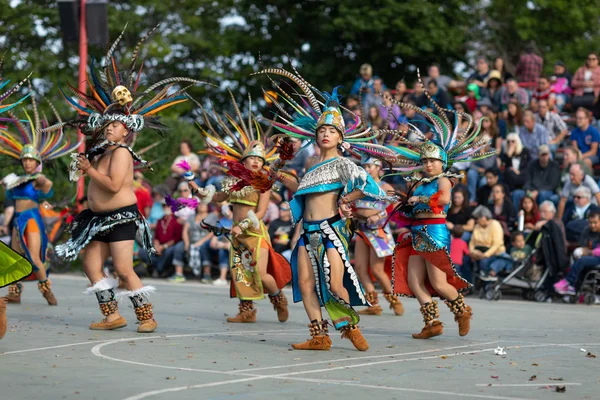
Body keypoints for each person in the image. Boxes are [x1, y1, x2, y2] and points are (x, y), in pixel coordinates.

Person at [54, 26, 205, 332]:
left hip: (121, 217)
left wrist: (89, 170)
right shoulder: (99, 151)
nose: (109, 128)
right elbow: (93, 181)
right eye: (106, 124)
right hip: (97, 219)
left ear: (127, 131)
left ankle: (147, 316)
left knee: (123, 269)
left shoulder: (122, 153)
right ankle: (112, 315)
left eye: (115, 125)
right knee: (91, 265)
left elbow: (110, 184)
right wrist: (82, 166)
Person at [256, 67, 397, 351]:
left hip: (330, 230)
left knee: (334, 285)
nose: (325, 134)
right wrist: (278, 173)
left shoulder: (344, 164)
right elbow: (301, 191)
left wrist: (346, 199)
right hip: (307, 233)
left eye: (331, 131)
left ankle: (349, 327)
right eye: (322, 130)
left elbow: (371, 188)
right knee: (306, 285)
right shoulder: (309, 164)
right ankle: (319, 336)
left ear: (340, 136)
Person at [384, 92, 494, 340]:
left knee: (440, 282)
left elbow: (443, 200)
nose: (429, 164)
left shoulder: (443, 179)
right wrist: (404, 205)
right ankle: (432, 322)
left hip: (434, 231)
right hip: (417, 232)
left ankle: (462, 310)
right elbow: (412, 207)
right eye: (426, 160)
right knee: (414, 282)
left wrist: (419, 200)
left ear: (442, 162)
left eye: (433, 160)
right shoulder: (419, 181)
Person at [189, 92, 291, 324]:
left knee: (262, 274)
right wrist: (199, 191)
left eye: (260, 160)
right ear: (243, 162)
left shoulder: (264, 184)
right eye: (251, 159)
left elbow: (262, 213)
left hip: (254, 233)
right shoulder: (234, 184)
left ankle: (278, 300)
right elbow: (219, 196)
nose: (255, 162)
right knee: (239, 273)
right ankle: (247, 311)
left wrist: (243, 225)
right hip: (236, 233)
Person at [0, 96, 79, 306]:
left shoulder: (37, 179)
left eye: (30, 160)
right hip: (17, 219)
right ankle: (15, 292)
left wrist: (42, 180)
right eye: (24, 159)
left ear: (37, 162)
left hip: (32, 219)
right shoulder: (16, 181)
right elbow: (9, 197)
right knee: (17, 257)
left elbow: (47, 187)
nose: (27, 162)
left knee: (34, 258)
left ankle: (46, 290)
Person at [353, 156, 403, 317]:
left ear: (378, 168)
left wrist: (379, 215)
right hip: (362, 229)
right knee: (360, 268)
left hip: (379, 230)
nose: (367, 169)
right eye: (365, 166)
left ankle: (394, 300)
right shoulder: (359, 185)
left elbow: (395, 206)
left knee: (377, 269)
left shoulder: (384, 186)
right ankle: (373, 304)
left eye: (370, 166)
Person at [554, 211, 600, 295]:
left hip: (597, 257)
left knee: (582, 261)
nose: (592, 225)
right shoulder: (587, 230)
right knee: (576, 255)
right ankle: (573, 287)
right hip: (592, 255)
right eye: (590, 222)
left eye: (595, 223)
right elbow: (583, 245)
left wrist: (591, 252)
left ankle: (568, 281)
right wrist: (583, 251)